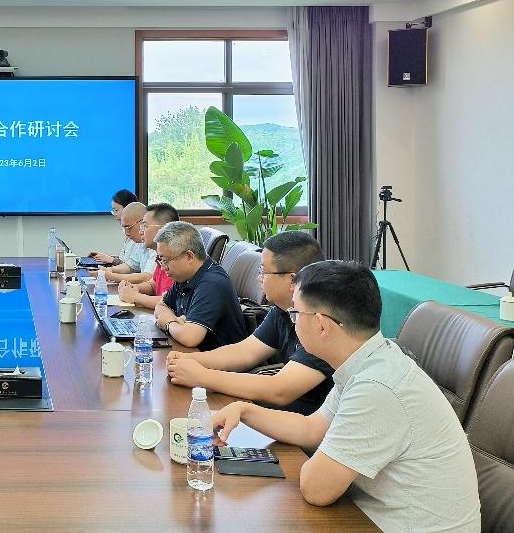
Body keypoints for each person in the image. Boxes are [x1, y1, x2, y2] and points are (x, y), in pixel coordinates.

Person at [212, 261, 480, 532]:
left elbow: (317, 489)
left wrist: (314, 464)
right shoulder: (369, 360)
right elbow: (311, 429)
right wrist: (245, 410)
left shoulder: (377, 387)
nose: (293, 322)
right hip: (372, 516)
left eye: (295, 313)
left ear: (321, 325)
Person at [165, 231, 333, 414]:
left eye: (264, 271)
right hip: (276, 413)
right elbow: (244, 352)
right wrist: (189, 359)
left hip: (302, 422)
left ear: (292, 280)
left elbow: (280, 390)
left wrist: (201, 376)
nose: (258, 278)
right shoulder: (283, 310)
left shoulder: (322, 323)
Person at [152, 221, 248, 350]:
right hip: (192, 353)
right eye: (160, 260)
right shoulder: (184, 275)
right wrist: (175, 321)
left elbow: (190, 338)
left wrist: (168, 323)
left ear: (189, 256)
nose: (163, 268)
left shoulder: (212, 284)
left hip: (217, 359)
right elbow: (161, 306)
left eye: (165, 261)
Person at [114, 203, 179, 298]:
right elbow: (152, 285)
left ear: (163, 229)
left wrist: (135, 297)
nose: (141, 231)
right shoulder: (160, 257)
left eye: (145, 226)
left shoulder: (176, 259)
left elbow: (167, 301)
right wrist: (133, 287)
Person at [97, 202, 151, 280]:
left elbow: (148, 277)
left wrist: (110, 276)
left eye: (128, 228)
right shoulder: (140, 243)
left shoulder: (155, 244)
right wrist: (109, 270)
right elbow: (131, 266)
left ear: (142, 223)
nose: (126, 233)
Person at [88, 189, 139, 264]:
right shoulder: (127, 232)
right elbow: (125, 259)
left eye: (116, 210)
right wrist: (105, 257)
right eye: (113, 211)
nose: (115, 214)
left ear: (128, 209)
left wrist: (110, 260)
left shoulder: (139, 237)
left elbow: (133, 267)